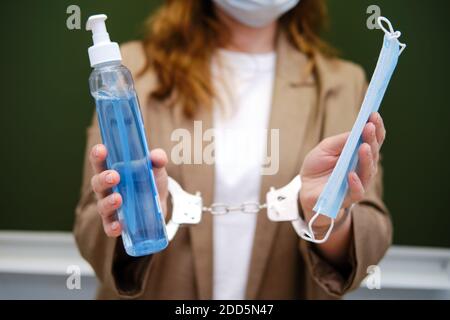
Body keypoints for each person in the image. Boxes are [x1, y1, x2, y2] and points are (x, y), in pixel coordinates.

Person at [74, 0, 392, 299]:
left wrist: (326, 218)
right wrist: (144, 214)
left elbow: (371, 231)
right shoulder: (129, 72)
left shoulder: (341, 84)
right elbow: (91, 225)